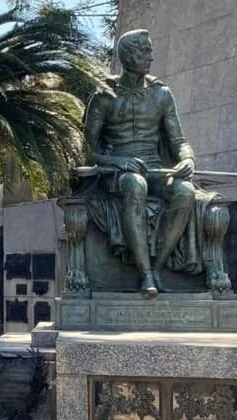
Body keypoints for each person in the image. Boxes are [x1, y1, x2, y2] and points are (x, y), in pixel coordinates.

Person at [81, 29, 201, 297]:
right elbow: (85, 151)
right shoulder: (104, 95)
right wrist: (119, 161)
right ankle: (145, 274)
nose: (152, 57)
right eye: (144, 51)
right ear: (127, 55)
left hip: (157, 167)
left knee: (185, 192)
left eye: (150, 49)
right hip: (118, 171)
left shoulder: (162, 94)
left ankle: (157, 267)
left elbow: (179, 140)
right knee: (135, 185)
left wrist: (187, 158)